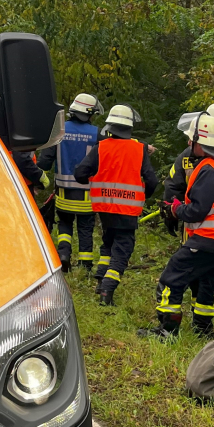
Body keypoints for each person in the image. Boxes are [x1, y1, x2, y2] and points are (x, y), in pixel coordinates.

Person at [141, 113, 214, 340]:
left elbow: (196, 211)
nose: (188, 142)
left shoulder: (209, 169)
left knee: (171, 279)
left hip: (208, 241)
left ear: (201, 142)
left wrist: (176, 209)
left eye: (191, 139)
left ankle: (167, 332)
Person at [74, 104, 158, 305]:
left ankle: (101, 278)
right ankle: (107, 289)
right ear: (130, 127)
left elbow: (80, 173)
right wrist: (143, 195)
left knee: (109, 241)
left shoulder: (101, 147)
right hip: (128, 210)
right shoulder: (139, 149)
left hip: (104, 207)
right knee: (122, 249)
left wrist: (94, 181)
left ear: (110, 125)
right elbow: (152, 181)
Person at [37, 93, 103, 272]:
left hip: (63, 193)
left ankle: (64, 254)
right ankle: (85, 265)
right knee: (85, 228)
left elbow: (45, 162)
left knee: (64, 223)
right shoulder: (97, 134)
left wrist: (36, 181)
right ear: (90, 113)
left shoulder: (59, 130)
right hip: (87, 194)